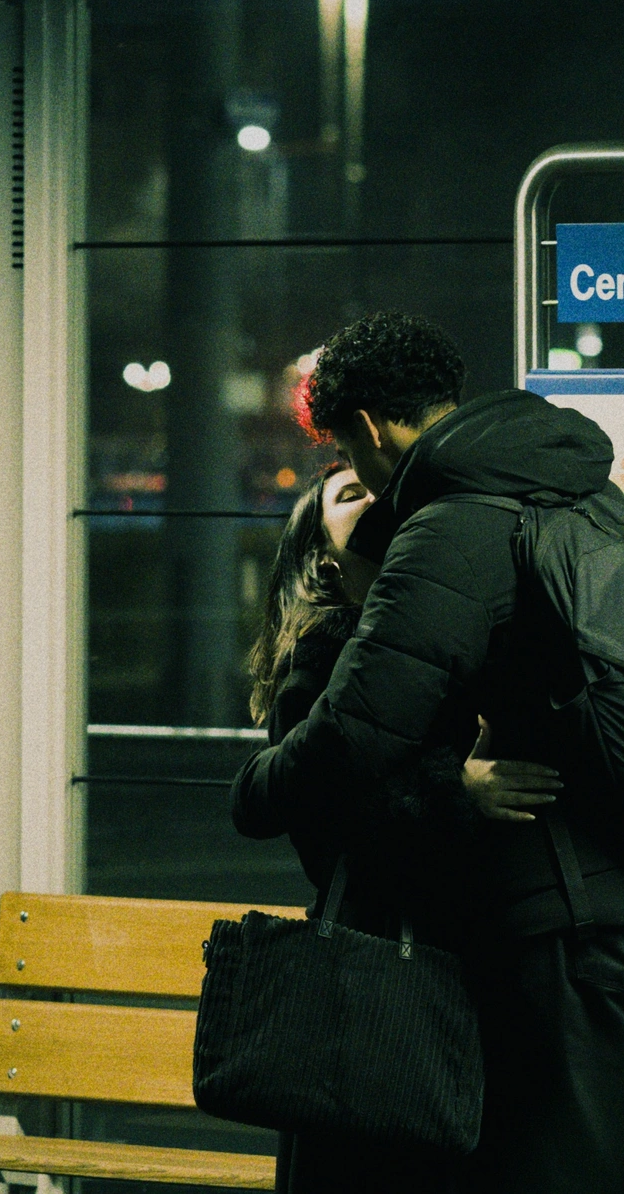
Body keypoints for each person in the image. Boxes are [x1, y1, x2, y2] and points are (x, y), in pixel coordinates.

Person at [232, 312, 624, 1194]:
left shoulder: (455, 522)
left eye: (350, 457)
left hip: (579, 914)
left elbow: (357, 733)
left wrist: (259, 787)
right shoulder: (577, 492)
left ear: (369, 429)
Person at [237, 460, 560, 1193]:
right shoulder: (323, 657)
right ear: (321, 557)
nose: (375, 497)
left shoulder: (445, 630)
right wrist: (455, 790)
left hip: (456, 971)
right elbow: (326, 825)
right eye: (349, 496)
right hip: (377, 984)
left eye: (379, 487)